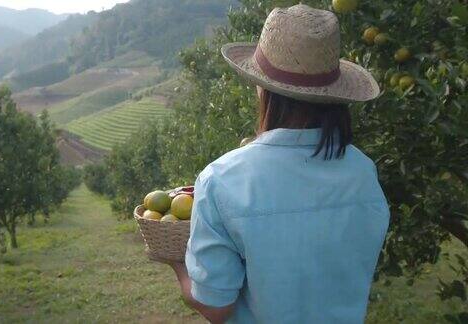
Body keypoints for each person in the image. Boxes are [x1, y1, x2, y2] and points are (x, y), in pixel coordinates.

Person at [165, 4, 389, 324]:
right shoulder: (363, 172)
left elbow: (216, 306)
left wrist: (178, 265)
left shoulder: (222, 180)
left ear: (264, 91)